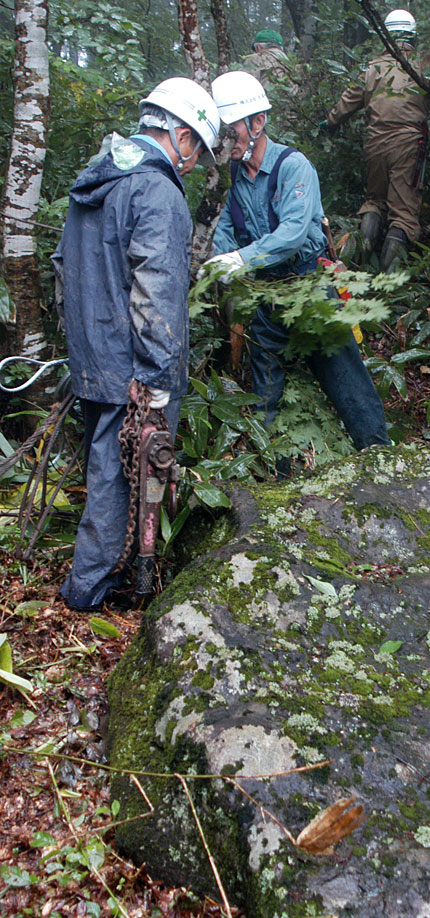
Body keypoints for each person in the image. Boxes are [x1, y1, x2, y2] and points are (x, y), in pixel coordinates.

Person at [52, 78, 220, 612]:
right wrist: (156, 377)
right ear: (182, 136)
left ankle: (115, 583)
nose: (194, 163)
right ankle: (87, 595)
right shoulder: (158, 192)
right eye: (198, 149)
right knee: (121, 483)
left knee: (107, 471)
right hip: (134, 369)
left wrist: (84, 345)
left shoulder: (96, 179)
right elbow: (157, 291)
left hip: (94, 359)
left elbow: (63, 269)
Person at [204, 70, 389, 452]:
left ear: (258, 123)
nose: (225, 142)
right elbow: (224, 228)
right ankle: (274, 467)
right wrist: (216, 261)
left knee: (347, 382)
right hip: (266, 296)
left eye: (231, 131)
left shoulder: (293, 167)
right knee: (266, 396)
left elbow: (292, 233)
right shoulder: (232, 178)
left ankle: (378, 455)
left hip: (311, 290)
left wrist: (240, 258)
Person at [323, 8, 430, 269]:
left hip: (375, 143)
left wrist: (330, 122)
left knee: (374, 200)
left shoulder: (373, 68)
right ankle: (389, 282)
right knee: (403, 212)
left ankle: (358, 265)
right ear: (412, 35)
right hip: (409, 144)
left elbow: (348, 101)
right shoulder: (426, 65)